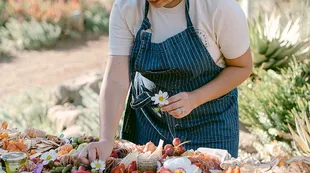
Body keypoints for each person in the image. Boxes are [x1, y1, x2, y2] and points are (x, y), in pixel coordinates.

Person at [79, 0, 252, 164]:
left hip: (211, 124)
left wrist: (195, 98)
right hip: (149, 125)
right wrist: (106, 140)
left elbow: (241, 67)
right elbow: (116, 79)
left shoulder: (219, 7)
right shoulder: (127, 7)